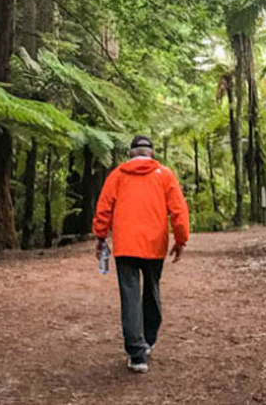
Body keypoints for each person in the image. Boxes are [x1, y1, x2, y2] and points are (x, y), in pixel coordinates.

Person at [92, 134, 190, 374]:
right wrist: (180, 240)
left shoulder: (117, 175)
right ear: (151, 153)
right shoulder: (165, 175)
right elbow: (178, 210)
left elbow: (104, 208)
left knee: (130, 295)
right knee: (152, 290)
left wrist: (100, 236)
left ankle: (137, 355)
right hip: (154, 244)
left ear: (131, 153)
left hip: (125, 245)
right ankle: (149, 340)